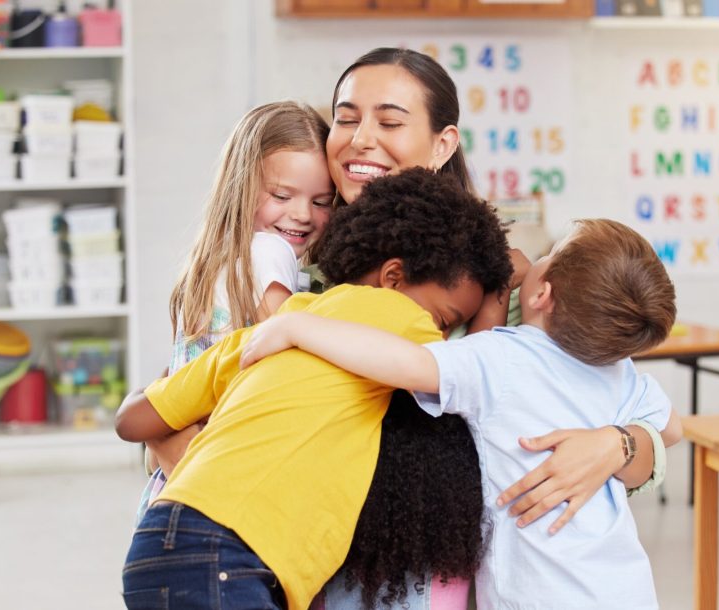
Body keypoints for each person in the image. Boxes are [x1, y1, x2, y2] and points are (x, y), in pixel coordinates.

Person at [116, 169, 513, 610]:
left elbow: (132, 420)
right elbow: (463, 372)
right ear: (394, 277)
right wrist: (498, 296)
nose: (442, 334)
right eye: (444, 319)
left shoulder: (268, 332)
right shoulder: (399, 318)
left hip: (159, 541)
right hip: (229, 554)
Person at [241, 218, 683, 609]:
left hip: (538, 595)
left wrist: (297, 326)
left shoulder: (502, 358)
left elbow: (407, 361)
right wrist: (615, 437)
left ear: (544, 293)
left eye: (547, 256)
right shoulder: (617, 368)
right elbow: (672, 427)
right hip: (627, 588)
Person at [136, 101, 334, 519]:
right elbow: (294, 352)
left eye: (322, 201)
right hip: (222, 492)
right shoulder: (268, 251)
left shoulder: (215, 263)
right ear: (242, 186)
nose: (302, 214)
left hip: (172, 494)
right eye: (282, 195)